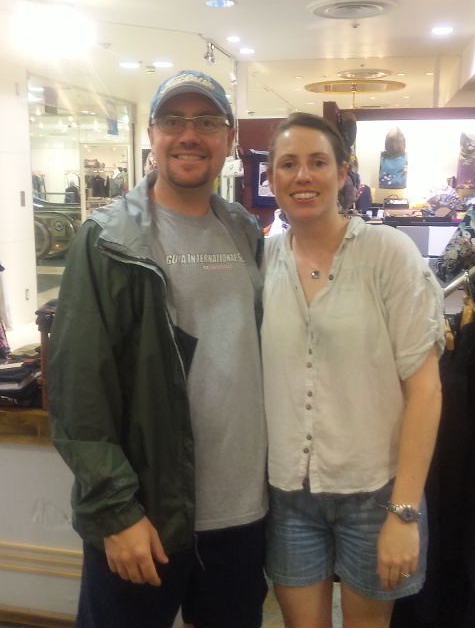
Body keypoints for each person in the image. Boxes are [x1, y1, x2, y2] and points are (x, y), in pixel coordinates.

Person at [48, 70, 268, 628]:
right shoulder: (107, 240)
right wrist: (115, 511)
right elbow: (78, 392)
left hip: (242, 516)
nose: (189, 134)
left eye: (207, 122)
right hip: (145, 518)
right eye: (173, 121)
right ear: (152, 134)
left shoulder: (243, 229)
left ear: (230, 138)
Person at [261, 112, 444, 628]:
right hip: (289, 497)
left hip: (377, 494)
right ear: (271, 177)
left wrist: (403, 513)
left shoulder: (388, 254)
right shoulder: (262, 261)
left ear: (343, 172)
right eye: (288, 164)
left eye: (318, 162)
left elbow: (426, 391)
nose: (303, 176)